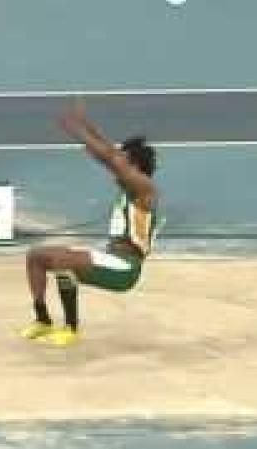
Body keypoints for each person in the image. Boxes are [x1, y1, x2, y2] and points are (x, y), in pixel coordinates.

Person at [23, 101, 162, 347]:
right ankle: (42, 320)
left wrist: (79, 131)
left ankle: (71, 328)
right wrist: (86, 125)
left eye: (124, 159)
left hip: (126, 268)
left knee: (62, 261)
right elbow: (110, 154)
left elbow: (109, 158)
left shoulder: (145, 190)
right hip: (111, 258)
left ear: (136, 166)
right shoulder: (130, 182)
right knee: (37, 257)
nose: (118, 160)